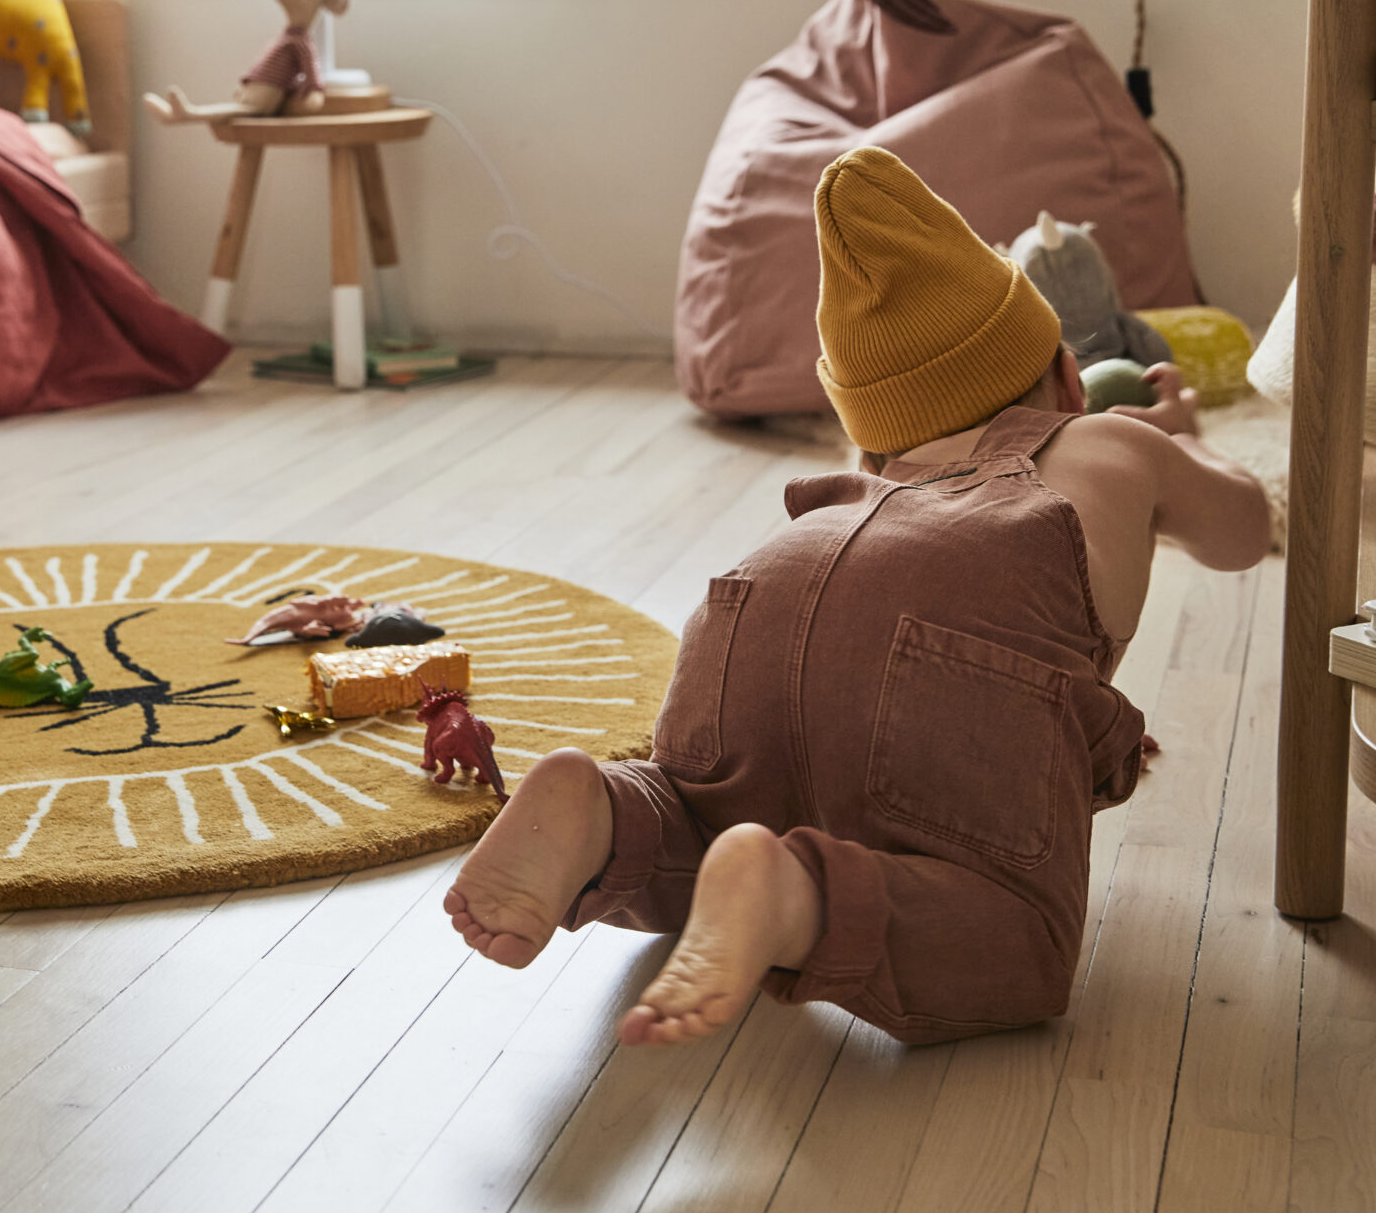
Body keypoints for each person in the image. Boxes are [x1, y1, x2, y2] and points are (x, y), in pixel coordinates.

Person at [444, 146, 1271, 1046]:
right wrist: (1184, 438)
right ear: (1069, 379)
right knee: (1015, 937)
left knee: (707, 813)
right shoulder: (1115, 441)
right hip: (951, 637)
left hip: (761, 598)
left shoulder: (872, 480)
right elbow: (1240, 530)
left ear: (871, 444)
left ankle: (605, 810)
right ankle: (796, 894)